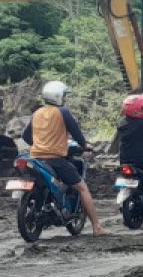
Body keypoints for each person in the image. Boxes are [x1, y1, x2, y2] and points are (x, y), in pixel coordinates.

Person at [23, 80, 109, 236]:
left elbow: (25, 136)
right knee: (82, 188)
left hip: (36, 158)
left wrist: (39, 144)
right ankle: (97, 227)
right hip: (55, 160)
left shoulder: (36, 113)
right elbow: (77, 134)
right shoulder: (63, 112)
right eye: (64, 96)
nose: (65, 99)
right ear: (58, 96)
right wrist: (84, 145)